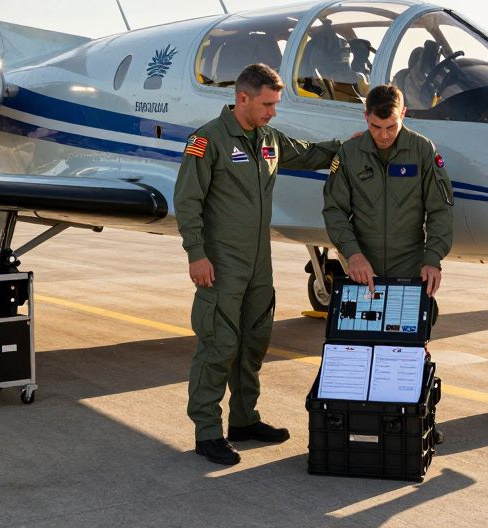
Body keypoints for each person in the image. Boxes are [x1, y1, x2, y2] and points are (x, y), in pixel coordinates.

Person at [175, 63, 343, 465]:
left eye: (275, 104)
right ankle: (207, 432)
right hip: (220, 263)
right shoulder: (207, 141)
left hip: (257, 263)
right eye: (267, 104)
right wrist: (196, 253)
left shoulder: (268, 139)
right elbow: (187, 201)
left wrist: (350, 145)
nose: (272, 112)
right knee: (219, 346)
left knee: (252, 344)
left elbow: (310, 154)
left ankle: (245, 420)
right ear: (243, 98)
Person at [322, 84, 453, 296]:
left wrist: (432, 260)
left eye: (391, 126)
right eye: (375, 126)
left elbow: (440, 209)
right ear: (366, 117)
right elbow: (334, 209)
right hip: (362, 270)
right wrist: (353, 254)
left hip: (410, 270)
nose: (383, 136)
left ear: (403, 113)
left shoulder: (422, 150)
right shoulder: (350, 153)